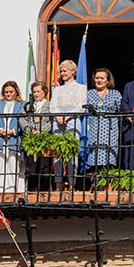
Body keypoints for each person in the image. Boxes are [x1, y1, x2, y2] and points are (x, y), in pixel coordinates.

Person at [50, 60, 87, 191]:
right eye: (61, 71)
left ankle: (72, 184)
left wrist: (67, 116)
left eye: (65, 71)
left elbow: (81, 106)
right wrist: (58, 117)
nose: (62, 73)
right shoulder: (57, 90)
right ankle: (58, 183)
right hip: (58, 121)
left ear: (73, 71)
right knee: (57, 153)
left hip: (73, 120)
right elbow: (52, 105)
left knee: (72, 153)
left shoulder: (81, 88)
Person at [0, 81, 24, 193]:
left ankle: (12, 187)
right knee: (0, 161)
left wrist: (13, 131)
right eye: (6, 92)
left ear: (16, 92)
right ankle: (0, 187)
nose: (8, 94)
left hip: (13, 138)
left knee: (13, 161)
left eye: (11, 92)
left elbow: (22, 120)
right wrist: (0, 130)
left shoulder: (22, 104)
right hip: (0, 138)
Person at [19, 81, 53, 191]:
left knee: (44, 167)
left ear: (45, 92)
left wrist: (42, 131)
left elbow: (52, 122)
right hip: (31, 139)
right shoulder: (28, 106)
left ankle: (44, 193)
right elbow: (22, 119)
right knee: (31, 168)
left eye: (39, 91)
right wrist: (30, 130)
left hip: (44, 139)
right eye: (34, 92)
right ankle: (30, 191)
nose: (36, 94)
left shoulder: (50, 105)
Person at [86, 68, 121, 170]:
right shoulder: (89, 93)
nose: (99, 80)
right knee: (93, 161)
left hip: (109, 131)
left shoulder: (115, 94)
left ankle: (107, 184)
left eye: (102, 78)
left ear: (108, 81)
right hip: (93, 130)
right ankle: (94, 183)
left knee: (108, 160)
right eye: (97, 78)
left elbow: (121, 111)